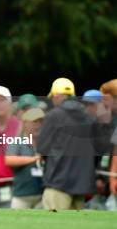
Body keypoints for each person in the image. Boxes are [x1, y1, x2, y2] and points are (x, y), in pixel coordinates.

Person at [37, 78, 112, 210]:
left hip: (58, 182)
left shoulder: (53, 116)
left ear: (57, 95)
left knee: (54, 227)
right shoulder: (90, 117)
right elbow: (100, 149)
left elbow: (42, 148)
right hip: (81, 185)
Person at [5, 108, 45, 209]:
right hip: (22, 195)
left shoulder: (45, 142)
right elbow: (9, 160)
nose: (38, 125)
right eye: (35, 122)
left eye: (41, 121)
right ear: (25, 123)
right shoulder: (17, 141)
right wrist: (34, 159)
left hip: (42, 195)